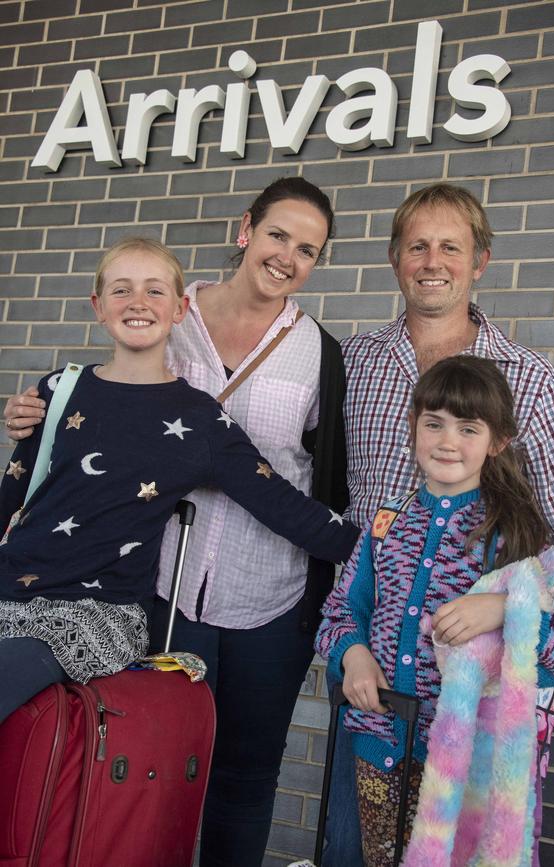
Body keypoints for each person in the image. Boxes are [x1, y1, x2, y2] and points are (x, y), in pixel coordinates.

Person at [2, 177, 349, 867]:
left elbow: (289, 497)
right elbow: (20, 487)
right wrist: (28, 413)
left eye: (306, 248)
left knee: (241, 775)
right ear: (246, 229)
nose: (287, 254)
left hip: (165, 605)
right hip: (118, 591)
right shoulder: (78, 375)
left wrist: (381, 547)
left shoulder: (280, 373)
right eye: (278, 234)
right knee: (136, 770)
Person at [324, 182, 554, 866]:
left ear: (481, 261)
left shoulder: (529, 381)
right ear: (393, 259)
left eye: (451, 246)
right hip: (374, 684)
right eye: (417, 245)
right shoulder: (350, 364)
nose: (432, 260)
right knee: (356, 846)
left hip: (475, 710)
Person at [0, 236, 358, 726]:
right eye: (121, 290)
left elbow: (283, 505)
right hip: (9, 596)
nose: (138, 303)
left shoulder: (200, 422)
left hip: (98, 615)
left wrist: (383, 548)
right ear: (98, 306)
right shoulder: (58, 389)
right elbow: (12, 495)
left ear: (180, 309)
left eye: (154, 291)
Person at [315, 355, 554, 867]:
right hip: (378, 749)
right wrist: (352, 656)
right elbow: (339, 615)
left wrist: (507, 608)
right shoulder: (386, 523)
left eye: (468, 428)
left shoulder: (518, 536)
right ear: (412, 424)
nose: (447, 441)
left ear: (497, 441)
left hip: (467, 768)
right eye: (434, 423)